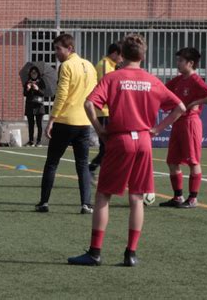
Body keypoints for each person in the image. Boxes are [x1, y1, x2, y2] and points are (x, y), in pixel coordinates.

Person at [68, 34, 185, 267]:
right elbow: (179, 107)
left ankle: (95, 252)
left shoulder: (114, 77)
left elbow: (89, 103)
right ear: (143, 55)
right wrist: (157, 129)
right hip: (143, 140)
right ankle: (130, 253)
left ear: (121, 53)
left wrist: (100, 129)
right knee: (137, 197)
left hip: (120, 139)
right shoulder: (152, 80)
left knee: (103, 195)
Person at [35, 33, 97, 214]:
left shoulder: (67, 65)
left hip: (65, 121)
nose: (56, 52)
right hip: (84, 122)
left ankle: (44, 202)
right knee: (82, 164)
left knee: (52, 163)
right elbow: (94, 91)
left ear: (69, 48)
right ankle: (86, 203)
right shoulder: (89, 65)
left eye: (58, 48)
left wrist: (51, 120)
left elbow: (61, 94)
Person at [160, 48, 207, 208]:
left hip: (190, 123)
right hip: (178, 122)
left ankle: (193, 199)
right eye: (177, 60)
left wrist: (195, 103)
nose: (177, 64)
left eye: (180, 61)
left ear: (190, 63)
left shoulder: (195, 80)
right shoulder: (179, 80)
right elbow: (163, 89)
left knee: (193, 161)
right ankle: (178, 197)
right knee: (172, 161)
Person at [89, 42, 123, 184]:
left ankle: (97, 171)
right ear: (114, 53)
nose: (122, 59)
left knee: (111, 146)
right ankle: (92, 169)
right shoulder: (104, 65)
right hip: (104, 111)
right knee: (107, 146)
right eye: (122, 56)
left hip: (111, 111)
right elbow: (107, 89)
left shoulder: (113, 66)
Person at [23, 66, 46, 147]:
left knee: (39, 124)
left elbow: (43, 93)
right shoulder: (27, 82)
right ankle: (31, 141)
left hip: (39, 106)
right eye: (32, 73)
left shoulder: (41, 82)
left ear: (37, 73)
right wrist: (28, 89)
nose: (33, 74)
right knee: (31, 124)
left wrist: (37, 89)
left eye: (35, 73)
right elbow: (24, 94)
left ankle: (39, 141)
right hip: (30, 105)